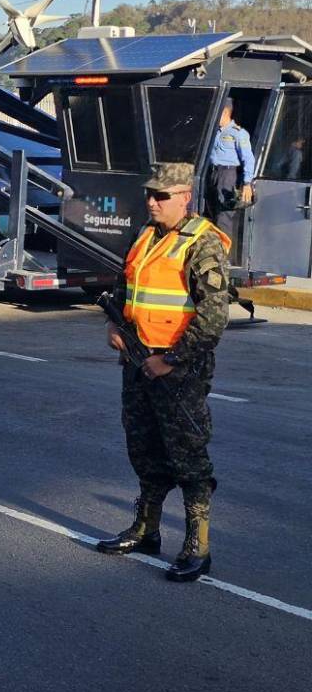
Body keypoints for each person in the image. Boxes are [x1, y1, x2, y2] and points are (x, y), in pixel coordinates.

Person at [97, 162, 231, 583]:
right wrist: (115, 326)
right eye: (149, 195)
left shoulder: (202, 243)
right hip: (137, 362)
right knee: (144, 448)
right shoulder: (145, 235)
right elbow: (125, 288)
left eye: (162, 196)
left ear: (185, 197)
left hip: (179, 369)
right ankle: (146, 528)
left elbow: (212, 318)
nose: (152, 202)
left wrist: (169, 360)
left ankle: (197, 545)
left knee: (188, 454)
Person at [205, 98, 255, 239]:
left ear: (225, 112)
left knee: (224, 215)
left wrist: (247, 183)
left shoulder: (238, 133)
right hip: (212, 173)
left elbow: (248, 159)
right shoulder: (214, 131)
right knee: (210, 212)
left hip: (227, 174)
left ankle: (223, 253)